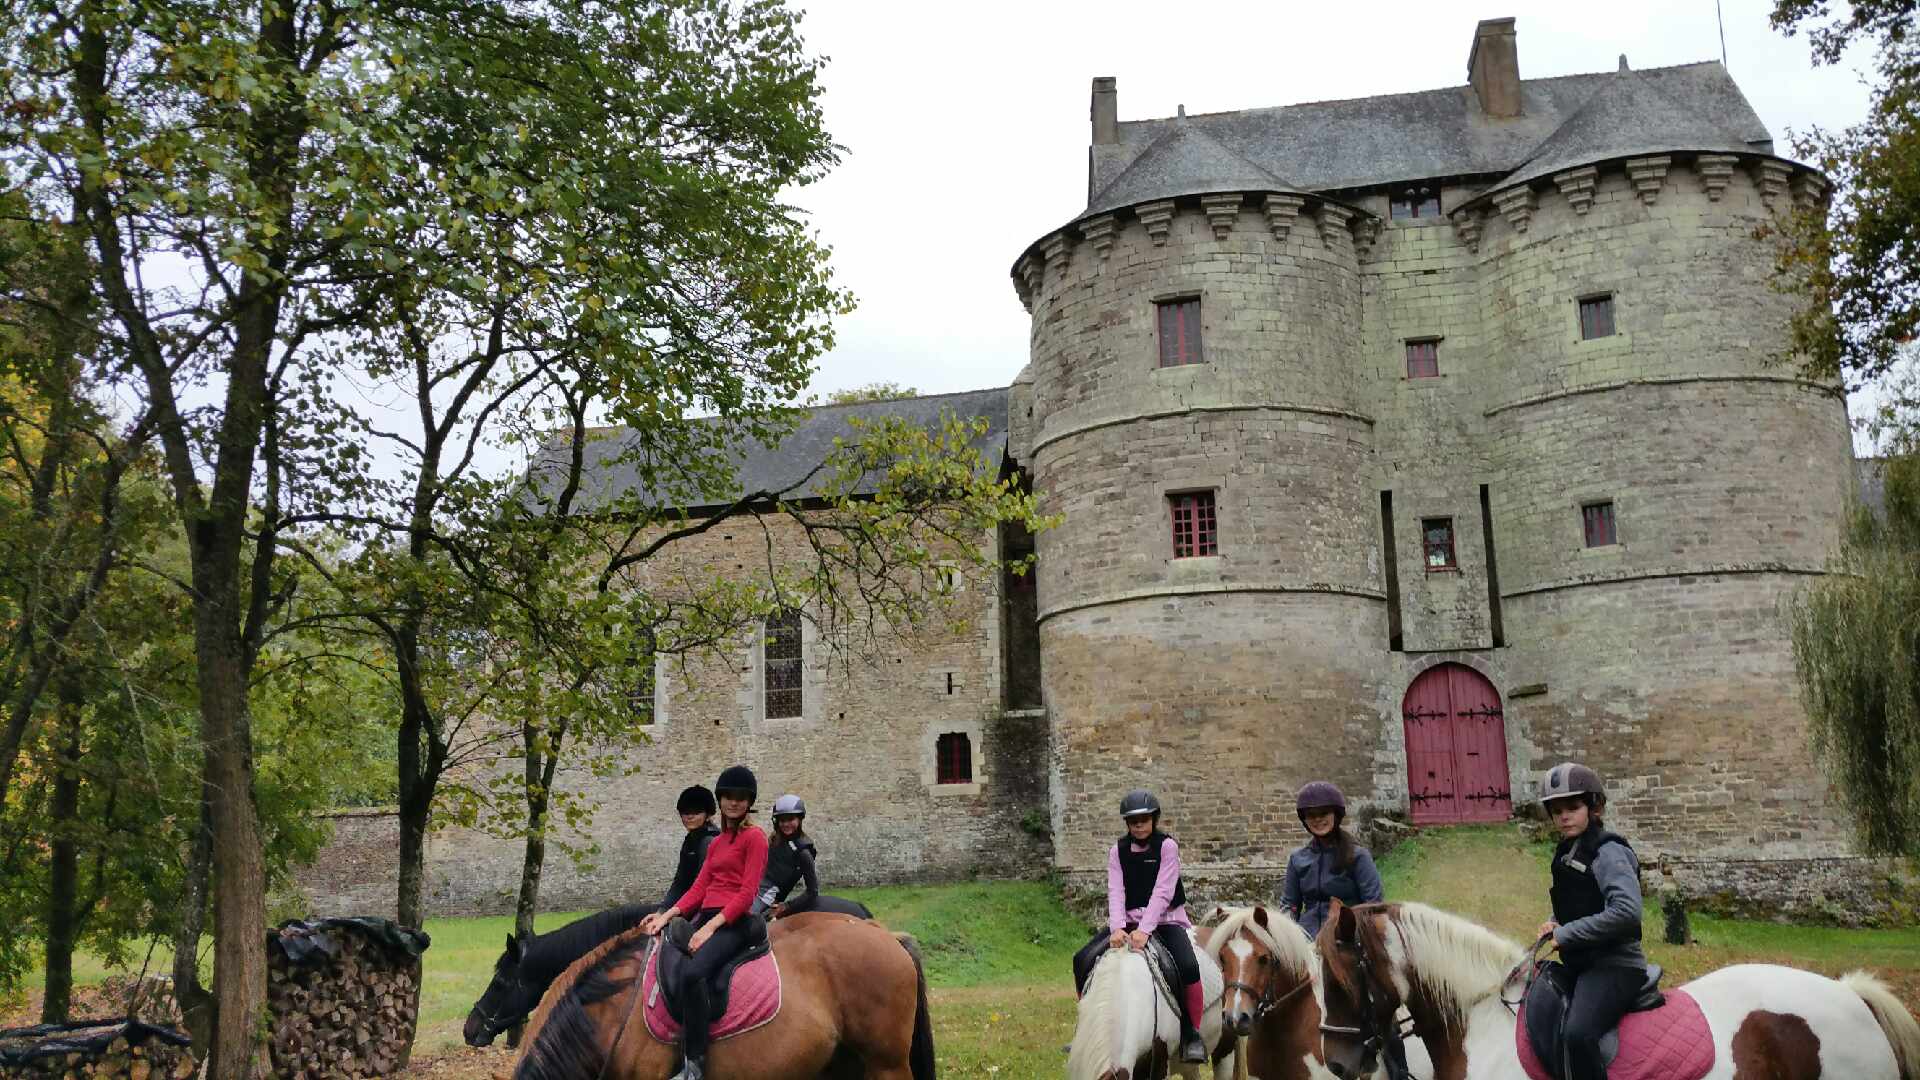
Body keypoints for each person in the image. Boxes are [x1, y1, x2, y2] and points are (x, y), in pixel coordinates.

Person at [640, 765, 769, 1080]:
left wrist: (709, 929)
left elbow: (747, 893)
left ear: (749, 801)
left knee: (693, 973)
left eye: (741, 798)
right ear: (720, 800)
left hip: (738, 920)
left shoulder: (756, 838)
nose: (734, 803)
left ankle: (695, 1065)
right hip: (710, 916)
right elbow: (698, 889)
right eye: (728, 797)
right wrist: (666, 915)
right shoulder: (717, 843)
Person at [1071, 789, 1208, 1064]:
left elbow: (1163, 892)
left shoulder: (1167, 847)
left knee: (1188, 966)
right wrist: (1117, 928)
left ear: (1154, 819)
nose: (1139, 826)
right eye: (1133, 822)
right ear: (1127, 824)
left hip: (1165, 920)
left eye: (1144, 820)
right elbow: (1115, 890)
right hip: (1129, 922)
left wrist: (1145, 930)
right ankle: (1087, 1028)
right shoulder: (1117, 851)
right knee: (1081, 960)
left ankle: (1191, 1033)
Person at [1536, 762, 1648, 1080]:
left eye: (1573, 807)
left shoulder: (1609, 852)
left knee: (1577, 1034)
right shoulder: (1567, 852)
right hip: (1582, 964)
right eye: (1556, 811)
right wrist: (1555, 923)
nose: (1564, 816)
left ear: (1594, 806)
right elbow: (1580, 905)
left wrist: (1568, 933)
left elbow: (1627, 912)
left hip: (1616, 966)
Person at [1279, 780, 1383, 938]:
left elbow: (1374, 904)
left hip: (1347, 937)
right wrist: (1286, 930)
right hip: (1307, 937)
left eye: (1323, 813)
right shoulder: (1297, 859)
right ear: (1304, 820)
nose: (1318, 819)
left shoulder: (1358, 856)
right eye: (1311, 815)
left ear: (1336, 815)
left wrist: (1353, 930)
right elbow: (1289, 904)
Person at [753, 793, 820, 919]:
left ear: (800, 819)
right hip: (753, 884)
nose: (786, 824)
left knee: (744, 916)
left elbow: (813, 891)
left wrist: (786, 906)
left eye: (790, 819)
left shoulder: (803, 852)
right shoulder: (776, 837)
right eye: (782, 820)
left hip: (766, 894)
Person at [662, 785, 720, 911]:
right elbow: (680, 882)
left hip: (706, 908)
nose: (689, 816)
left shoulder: (710, 841)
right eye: (685, 812)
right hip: (686, 904)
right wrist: (663, 909)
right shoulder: (690, 841)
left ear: (708, 814)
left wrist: (671, 912)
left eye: (696, 811)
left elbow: (703, 887)